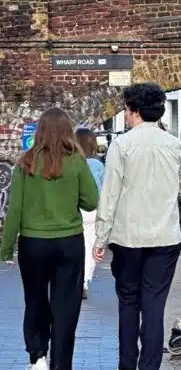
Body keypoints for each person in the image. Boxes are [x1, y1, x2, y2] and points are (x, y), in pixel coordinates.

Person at [94, 83, 181, 370]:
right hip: (164, 237)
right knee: (154, 303)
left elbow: (110, 195)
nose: (125, 115)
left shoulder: (121, 146)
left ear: (135, 111)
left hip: (128, 237)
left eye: (126, 110)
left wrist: (100, 238)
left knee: (128, 301)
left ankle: (126, 368)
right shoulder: (175, 146)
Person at [0, 107, 99, 370]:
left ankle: (38, 358)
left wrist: (6, 248)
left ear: (40, 131)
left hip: (33, 243)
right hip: (69, 242)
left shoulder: (26, 162)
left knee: (35, 301)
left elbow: (14, 210)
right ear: (68, 131)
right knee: (65, 306)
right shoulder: (77, 161)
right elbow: (91, 201)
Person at [75, 127, 105, 301]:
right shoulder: (98, 165)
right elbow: (105, 189)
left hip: (75, 208)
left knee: (75, 246)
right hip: (93, 210)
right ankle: (84, 282)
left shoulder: (71, 163)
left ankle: (73, 279)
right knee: (90, 246)